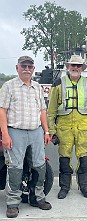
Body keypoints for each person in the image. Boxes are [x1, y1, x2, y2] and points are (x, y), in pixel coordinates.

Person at [0, 56, 52, 218]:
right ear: (17, 68)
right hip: (16, 131)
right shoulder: (9, 86)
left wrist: (46, 131)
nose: (27, 69)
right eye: (24, 66)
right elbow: (2, 111)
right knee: (15, 168)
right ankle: (13, 203)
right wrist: (6, 135)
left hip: (36, 131)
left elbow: (42, 111)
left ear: (33, 69)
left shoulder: (37, 87)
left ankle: (38, 198)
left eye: (30, 66)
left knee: (39, 166)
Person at [47, 54, 87, 199]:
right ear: (68, 67)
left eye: (78, 66)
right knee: (64, 159)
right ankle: (64, 187)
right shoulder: (58, 84)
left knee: (84, 159)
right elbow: (51, 111)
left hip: (83, 128)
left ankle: (84, 186)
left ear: (82, 68)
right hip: (64, 129)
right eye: (72, 65)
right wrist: (51, 130)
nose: (75, 68)